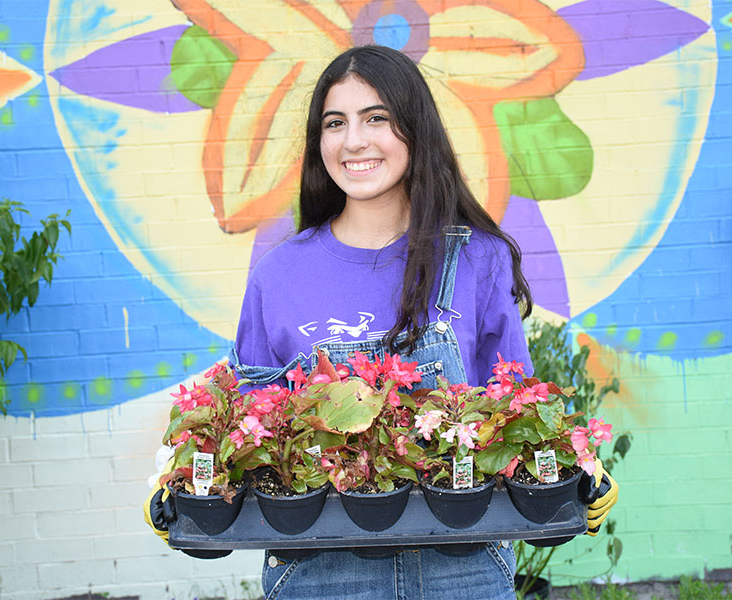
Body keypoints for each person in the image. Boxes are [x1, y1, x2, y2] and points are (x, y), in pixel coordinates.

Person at [146, 45, 618, 600]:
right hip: (318, 569)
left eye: (377, 119)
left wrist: (568, 464)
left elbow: (514, 405)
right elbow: (245, 423)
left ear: (416, 131)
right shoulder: (279, 275)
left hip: (462, 563)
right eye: (335, 123)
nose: (353, 141)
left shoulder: (476, 260)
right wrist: (184, 478)